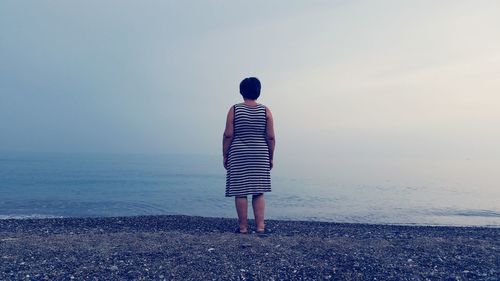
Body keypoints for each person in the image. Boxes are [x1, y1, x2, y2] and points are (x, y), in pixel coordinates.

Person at [222, 77, 275, 234]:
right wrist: (271, 156)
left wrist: (225, 154)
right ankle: (260, 227)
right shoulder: (265, 110)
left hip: (238, 154)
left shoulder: (235, 109)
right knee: (258, 191)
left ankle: (243, 228)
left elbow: (228, 135)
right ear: (259, 91)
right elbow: (271, 137)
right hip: (260, 154)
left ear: (241, 91)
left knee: (240, 191)